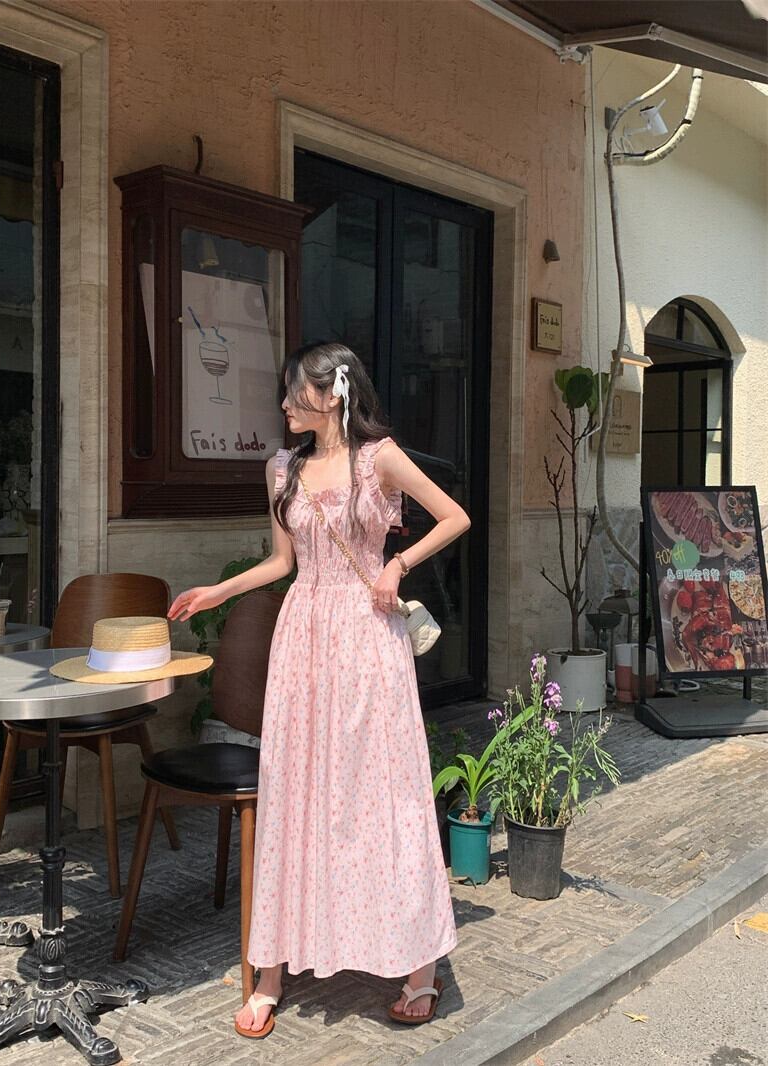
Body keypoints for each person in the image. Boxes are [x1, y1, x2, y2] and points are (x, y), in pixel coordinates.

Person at [168, 341, 470, 1037]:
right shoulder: (282, 468)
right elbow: (282, 562)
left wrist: (397, 564)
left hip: (368, 639)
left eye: (293, 392)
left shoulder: (380, 458)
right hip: (303, 637)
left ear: (331, 393)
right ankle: (272, 973)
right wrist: (217, 591)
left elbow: (454, 517)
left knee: (383, 794)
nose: (283, 405)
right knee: (296, 796)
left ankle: (418, 966)